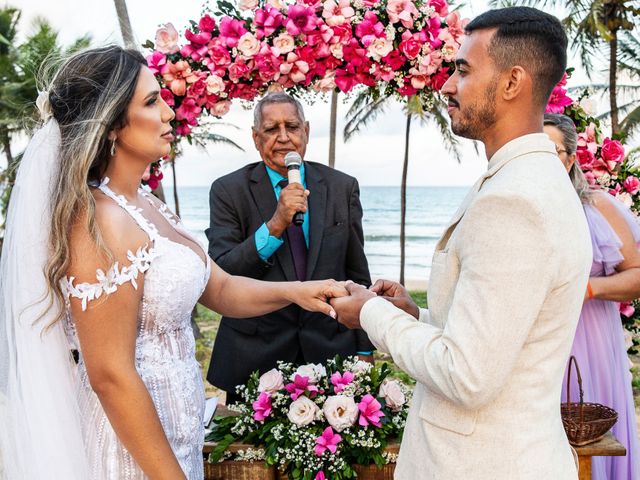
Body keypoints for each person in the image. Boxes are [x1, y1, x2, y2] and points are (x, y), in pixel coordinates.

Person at [0, 46, 346, 480]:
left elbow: (219, 288)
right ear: (111, 125)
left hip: (177, 438)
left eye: (163, 98)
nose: (168, 113)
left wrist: (298, 292)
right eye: (150, 102)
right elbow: (110, 374)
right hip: (131, 455)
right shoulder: (100, 221)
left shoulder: (146, 205)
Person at [331, 7, 592, 479]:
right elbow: (503, 333)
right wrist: (418, 316)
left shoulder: (514, 201)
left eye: (464, 70)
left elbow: (467, 375)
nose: (448, 86)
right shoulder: (530, 179)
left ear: (513, 82)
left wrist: (371, 314)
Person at [205, 93, 374, 404]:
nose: (283, 137)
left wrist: (364, 349)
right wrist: (275, 225)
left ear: (306, 131)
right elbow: (225, 273)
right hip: (253, 360)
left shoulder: (341, 187)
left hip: (330, 354)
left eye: (292, 127)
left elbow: (357, 273)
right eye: (271, 129)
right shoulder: (228, 191)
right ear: (256, 138)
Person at [544, 112, 640, 480]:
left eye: (553, 151)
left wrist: (588, 288)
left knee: (589, 431)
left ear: (571, 158)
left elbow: (636, 274)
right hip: (541, 336)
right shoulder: (517, 207)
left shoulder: (597, 206)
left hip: (590, 337)